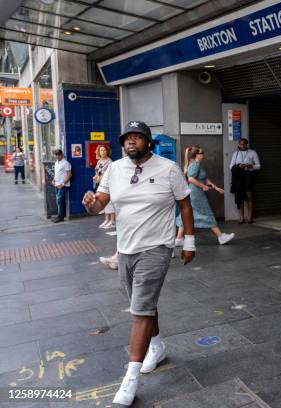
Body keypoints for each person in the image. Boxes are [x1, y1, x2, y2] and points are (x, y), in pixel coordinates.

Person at [82, 121, 196, 406]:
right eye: (127, 138)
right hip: (125, 249)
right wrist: (91, 203)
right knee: (142, 304)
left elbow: (185, 205)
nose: (131, 142)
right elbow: (101, 203)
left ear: (148, 142)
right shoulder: (115, 169)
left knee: (140, 310)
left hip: (156, 248)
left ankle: (130, 379)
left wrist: (189, 242)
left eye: (137, 137)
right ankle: (156, 347)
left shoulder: (169, 169)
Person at [175, 146, 235, 246]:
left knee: (187, 215)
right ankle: (221, 237)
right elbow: (190, 179)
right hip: (196, 193)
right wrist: (203, 186)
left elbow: (206, 179)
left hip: (195, 193)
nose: (203, 155)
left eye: (203, 153)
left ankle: (179, 239)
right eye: (201, 153)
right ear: (196, 155)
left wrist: (216, 187)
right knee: (207, 213)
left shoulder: (198, 165)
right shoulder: (195, 165)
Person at [229, 138, 260, 223]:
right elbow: (231, 166)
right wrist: (239, 166)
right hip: (239, 178)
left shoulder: (253, 152)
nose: (242, 146)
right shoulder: (236, 154)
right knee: (240, 198)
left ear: (247, 144)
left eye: (244, 144)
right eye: (241, 144)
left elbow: (258, 166)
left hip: (248, 176)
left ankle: (250, 217)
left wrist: (250, 166)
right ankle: (241, 217)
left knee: (249, 197)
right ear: (239, 144)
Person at [93, 145, 116, 229]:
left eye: (104, 150)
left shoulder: (110, 162)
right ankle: (107, 220)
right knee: (103, 202)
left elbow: (109, 174)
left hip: (107, 185)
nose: (102, 152)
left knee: (109, 202)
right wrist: (95, 177)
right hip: (100, 184)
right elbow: (97, 172)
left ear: (107, 151)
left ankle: (112, 221)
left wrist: (100, 178)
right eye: (101, 150)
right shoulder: (99, 161)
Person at [52, 149, 72, 223]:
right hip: (57, 184)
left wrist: (63, 184)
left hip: (63, 185)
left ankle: (60, 217)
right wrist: (53, 180)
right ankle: (60, 215)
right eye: (56, 155)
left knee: (59, 200)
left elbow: (69, 175)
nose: (57, 156)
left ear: (62, 155)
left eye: (58, 155)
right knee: (59, 201)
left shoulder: (66, 163)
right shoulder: (56, 163)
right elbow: (57, 173)